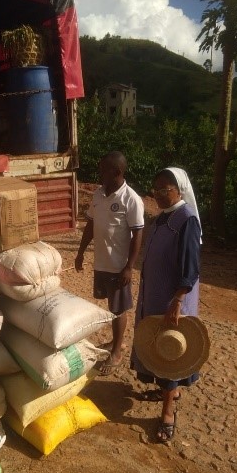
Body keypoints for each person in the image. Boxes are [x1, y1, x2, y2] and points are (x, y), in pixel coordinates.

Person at [130, 167, 201, 443]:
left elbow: (190, 267)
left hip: (173, 301)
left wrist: (178, 301)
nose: (158, 195)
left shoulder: (187, 220)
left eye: (164, 190)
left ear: (179, 189)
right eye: (155, 190)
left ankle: (168, 413)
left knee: (171, 352)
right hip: (156, 297)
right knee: (157, 349)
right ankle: (167, 391)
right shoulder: (163, 219)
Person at [75, 151, 145, 376]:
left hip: (118, 266)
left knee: (118, 309)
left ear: (117, 172)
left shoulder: (131, 199)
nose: (99, 174)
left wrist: (129, 267)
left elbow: (137, 235)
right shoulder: (98, 195)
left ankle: (116, 352)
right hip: (101, 262)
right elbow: (91, 225)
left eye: (103, 170)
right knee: (111, 306)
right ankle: (118, 341)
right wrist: (81, 252)